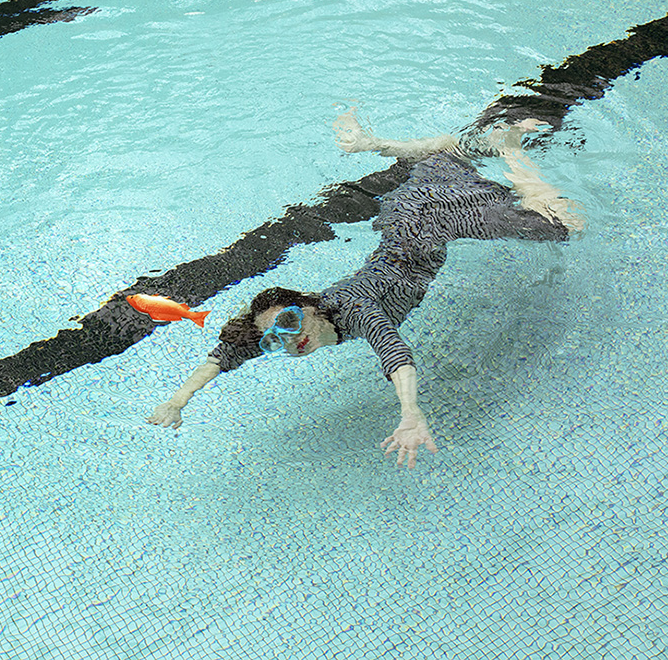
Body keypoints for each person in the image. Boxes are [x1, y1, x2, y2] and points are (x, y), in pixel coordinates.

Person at [146, 109, 584, 468]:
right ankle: (388, 145)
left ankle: (511, 150)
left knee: (566, 226)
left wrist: (410, 413)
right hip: (402, 215)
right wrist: (177, 401)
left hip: (434, 222)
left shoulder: (353, 309)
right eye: (275, 339)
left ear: (310, 308)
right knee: (441, 160)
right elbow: (229, 352)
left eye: (289, 323)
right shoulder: (295, 330)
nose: (288, 339)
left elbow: (394, 352)